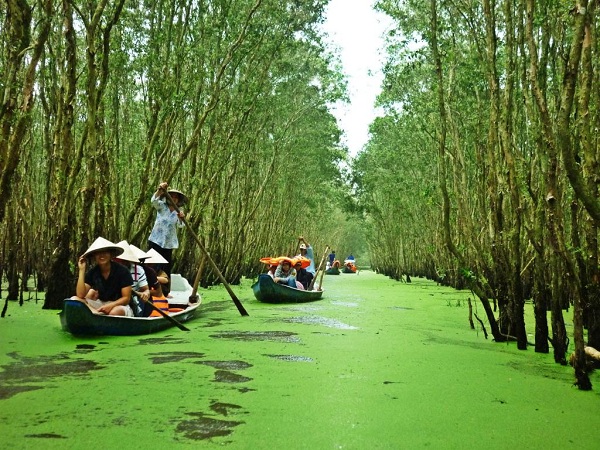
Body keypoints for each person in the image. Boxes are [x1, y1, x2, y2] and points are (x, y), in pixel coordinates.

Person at [72, 237, 134, 316]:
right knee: (74, 299)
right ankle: (97, 314)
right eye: (98, 253)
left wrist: (111, 305)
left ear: (110, 254)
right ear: (94, 256)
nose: (101, 255)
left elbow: (126, 298)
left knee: (114, 312)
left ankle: (96, 315)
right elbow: (80, 295)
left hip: (120, 306)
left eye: (105, 252)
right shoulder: (93, 272)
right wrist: (81, 270)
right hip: (101, 305)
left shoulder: (123, 271)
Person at [148, 181, 187, 294]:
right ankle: (150, 289)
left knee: (166, 267)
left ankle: (165, 292)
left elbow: (181, 226)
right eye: (172, 196)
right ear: (168, 197)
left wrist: (181, 218)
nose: (173, 198)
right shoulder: (162, 206)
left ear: (178, 200)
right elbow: (153, 201)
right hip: (155, 240)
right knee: (152, 265)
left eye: (176, 197)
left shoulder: (178, 212)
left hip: (168, 243)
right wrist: (160, 190)